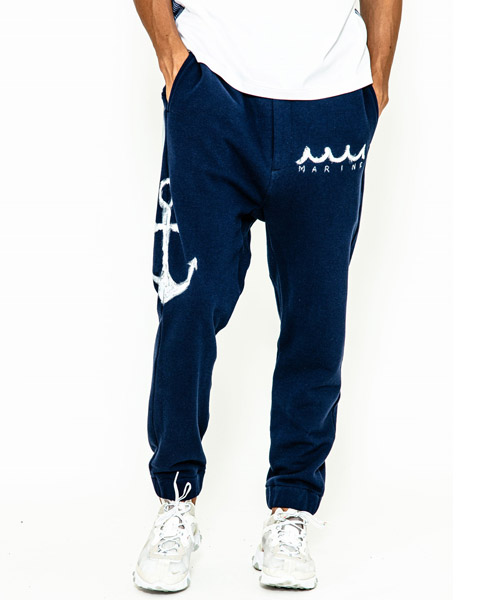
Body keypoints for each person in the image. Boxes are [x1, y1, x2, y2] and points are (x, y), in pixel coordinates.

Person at [131, 0, 402, 591]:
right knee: (189, 302)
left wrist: (376, 82)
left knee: (317, 316)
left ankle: (292, 510)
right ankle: (175, 500)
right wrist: (172, 58)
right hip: (212, 89)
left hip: (331, 99)